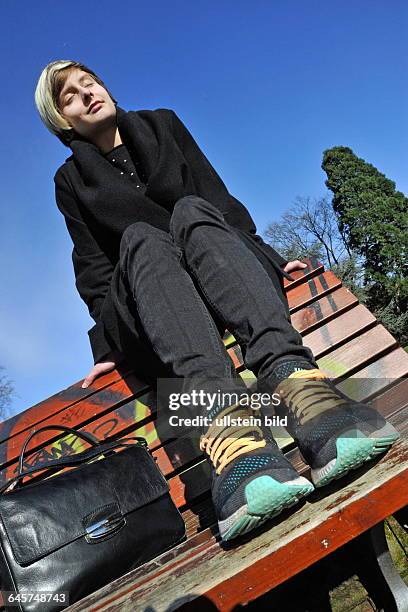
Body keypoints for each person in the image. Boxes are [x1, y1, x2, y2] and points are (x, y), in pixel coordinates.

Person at [34, 60, 399, 542]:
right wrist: (107, 347)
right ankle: (239, 447)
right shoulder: (71, 182)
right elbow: (94, 266)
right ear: (62, 119)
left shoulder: (163, 123)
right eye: (69, 96)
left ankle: (306, 397)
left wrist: (267, 257)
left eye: (90, 82)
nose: (86, 94)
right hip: (150, 304)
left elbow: (217, 199)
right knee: (143, 237)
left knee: (190, 209)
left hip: (217, 270)